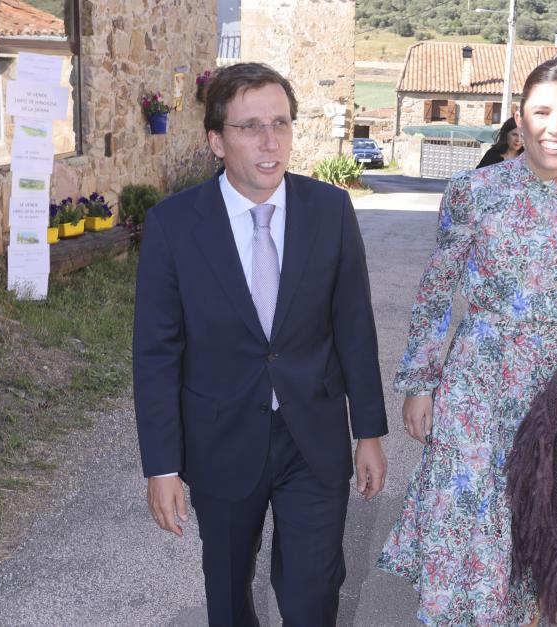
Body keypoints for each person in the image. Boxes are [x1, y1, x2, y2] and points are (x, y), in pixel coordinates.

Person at [377, 58, 557, 626]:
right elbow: (435, 291)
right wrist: (421, 384)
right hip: (477, 389)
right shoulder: (475, 192)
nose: (556, 126)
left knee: (541, 541)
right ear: (519, 118)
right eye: (542, 111)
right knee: (468, 534)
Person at [133, 62, 388, 627]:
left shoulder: (330, 211)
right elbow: (155, 355)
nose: (270, 142)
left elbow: (354, 327)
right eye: (250, 127)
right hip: (220, 439)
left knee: (313, 591)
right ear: (216, 141)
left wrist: (367, 431)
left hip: (313, 440)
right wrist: (162, 466)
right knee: (226, 595)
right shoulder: (174, 225)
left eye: (281, 123)